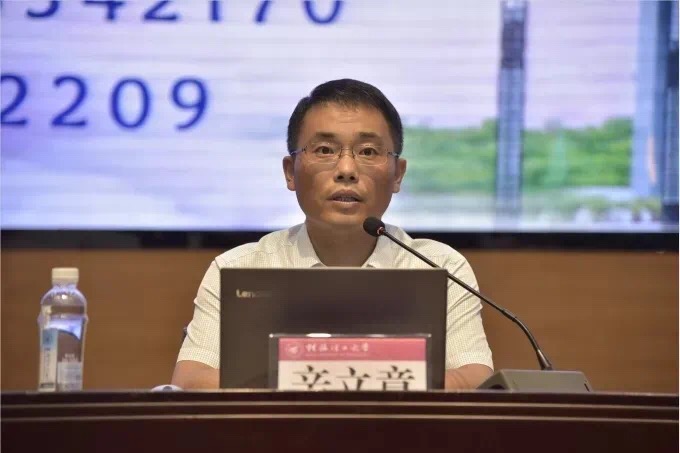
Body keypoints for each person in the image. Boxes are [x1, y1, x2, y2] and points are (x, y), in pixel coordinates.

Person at [171, 79, 493, 390]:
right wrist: (361, 379)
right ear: (290, 172)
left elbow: (476, 379)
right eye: (325, 149)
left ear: (398, 174)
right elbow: (190, 381)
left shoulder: (439, 268)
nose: (346, 170)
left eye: (368, 151)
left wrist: (317, 379)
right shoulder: (239, 268)